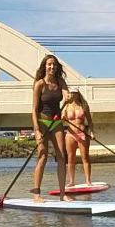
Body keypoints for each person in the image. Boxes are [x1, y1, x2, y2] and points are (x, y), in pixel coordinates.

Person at [30, 54, 70, 196]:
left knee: (61, 156)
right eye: (49, 64)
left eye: (54, 64)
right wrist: (37, 131)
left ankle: (62, 194)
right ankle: (36, 194)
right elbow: (34, 109)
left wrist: (66, 95)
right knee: (43, 156)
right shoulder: (39, 84)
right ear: (45, 67)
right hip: (42, 122)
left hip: (57, 122)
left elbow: (65, 92)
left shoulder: (60, 82)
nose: (52, 67)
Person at [61, 89, 94, 188]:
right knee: (70, 159)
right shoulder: (66, 106)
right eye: (71, 93)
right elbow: (61, 121)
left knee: (85, 158)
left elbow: (90, 122)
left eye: (75, 93)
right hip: (70, 135)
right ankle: (71, 181)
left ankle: (88, 180)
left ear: (78, 94)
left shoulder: (83, 106)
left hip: (82, 134)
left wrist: (92, 132)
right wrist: (62, 118)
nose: (73, 95)